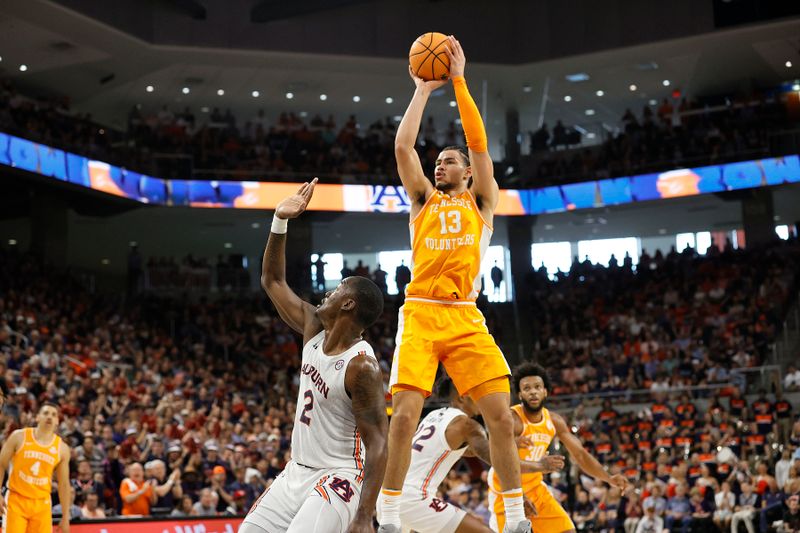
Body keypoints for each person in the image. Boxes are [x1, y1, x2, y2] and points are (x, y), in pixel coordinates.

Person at [381, 35, 527, 533]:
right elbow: (403, 146)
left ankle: (513, 518)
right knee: (403, 414)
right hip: (420, 311)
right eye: (437, 160)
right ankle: (389, 510)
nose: (440, 164)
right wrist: (422, 89)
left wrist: (460, 79)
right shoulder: (422, 197)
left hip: (465, 314)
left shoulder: (482, 202)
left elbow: (480, 142)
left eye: (449, 160)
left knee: (502, 418)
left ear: (467, 171)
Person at [240, 179, 388, 533]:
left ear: (349, 304)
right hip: (297, 471)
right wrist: (280, 220)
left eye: (337, 290)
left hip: (339, 476)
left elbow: (379, 443)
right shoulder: (314, 328)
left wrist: (365, 515)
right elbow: (272, 281)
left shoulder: (361, 366)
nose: (328, 293)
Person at [378, 377, 564, 533]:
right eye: (475, 394)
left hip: (390, 498)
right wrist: (540, 466)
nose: (480, 398)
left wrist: (505, 445)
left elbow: (462, 450)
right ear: (462, 397)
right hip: (414, 499)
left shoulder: (434, 416)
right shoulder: (468, 426)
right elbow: (499, 461)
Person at [487, 362, 628, 532]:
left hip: (536, 490)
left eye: (537, 387)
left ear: (545, 391)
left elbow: (581, 455)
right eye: (527, 388)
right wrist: (509, 446)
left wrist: (609, 478)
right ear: (520, 394)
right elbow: (496, 460)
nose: (533, 391)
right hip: (507, 492)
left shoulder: (554, 421)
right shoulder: (512, 420)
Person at [0, 403, 71, 533]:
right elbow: (1, 464)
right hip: (16, 500)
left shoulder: (62, 448)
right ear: (37, 417)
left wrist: (66, 516)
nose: (49, 417)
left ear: (57, 421)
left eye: (54, 415)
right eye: (46, 413)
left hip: (42, 504)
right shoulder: (19, 436)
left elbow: (64, 484)